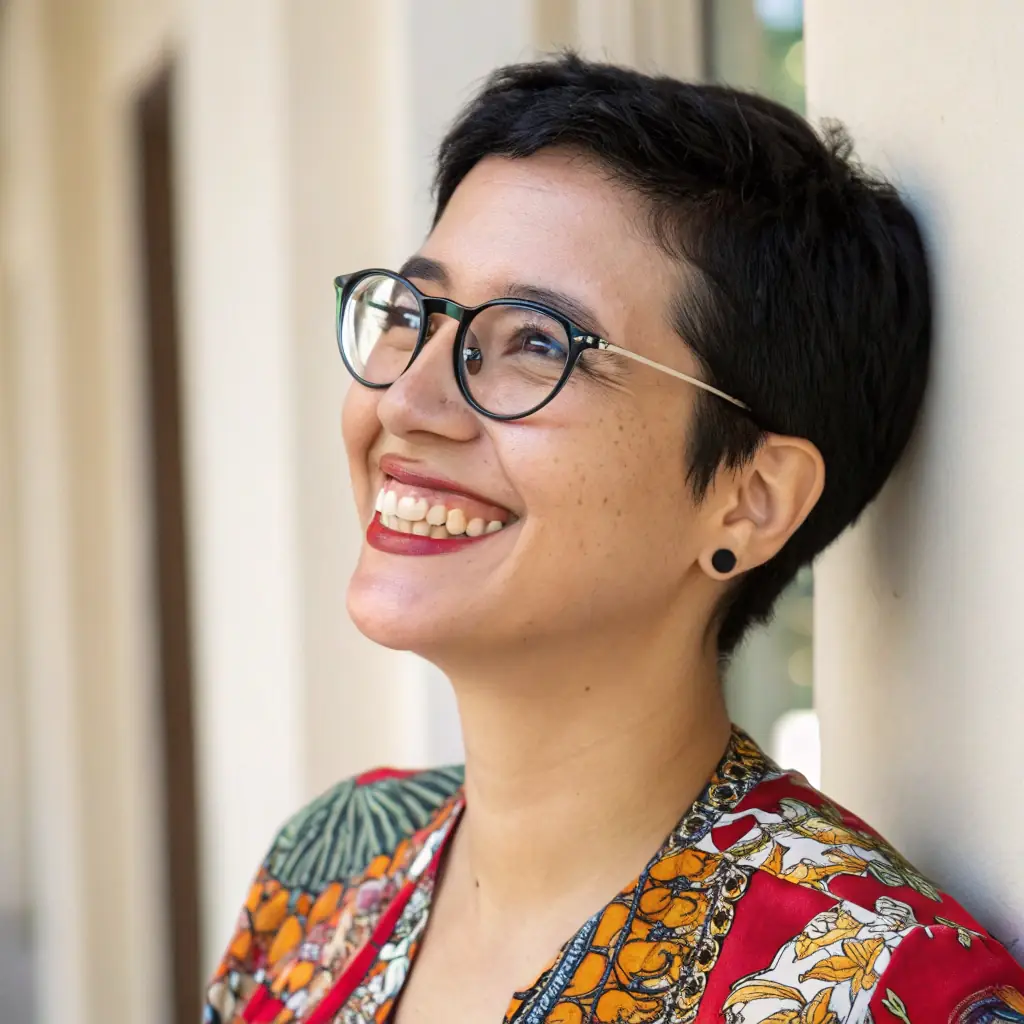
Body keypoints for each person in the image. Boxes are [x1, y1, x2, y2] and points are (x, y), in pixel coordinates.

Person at [204, 54, 1024, 1024]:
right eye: (413, 314)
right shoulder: (327, 868)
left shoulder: (875, 989)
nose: (406, 401)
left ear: (749, 499)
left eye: (536, 342)